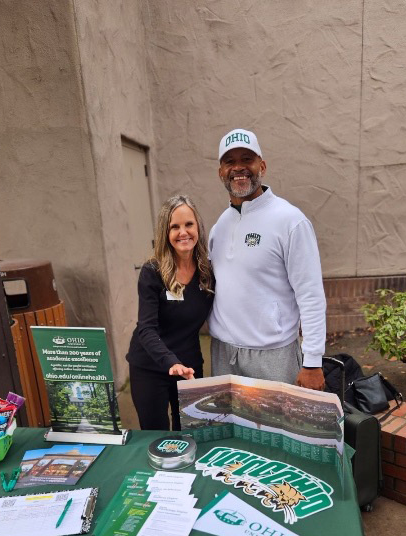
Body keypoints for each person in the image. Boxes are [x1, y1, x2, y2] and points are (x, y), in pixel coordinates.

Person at [208, 128, 326, 391]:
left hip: (273, 356)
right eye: (230, 162)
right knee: (232, 431)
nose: (239, 168)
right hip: (224, 353)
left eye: (247, 159)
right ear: (221, 172)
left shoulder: (290, 221)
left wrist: (313, 361)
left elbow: (310, 294)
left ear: (262, 165)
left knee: (280, 431)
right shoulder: (220, 226)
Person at [126, 195, 214, 430]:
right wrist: (170, 362)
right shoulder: (152, 272)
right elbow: (146, 328)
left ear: (198, 228)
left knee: (191, 432)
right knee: (157, 438)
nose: (183, 232)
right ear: (165, 232)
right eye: (174, 226)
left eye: (188, 224)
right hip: (150, 366)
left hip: (189, 366)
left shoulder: (207, 272)